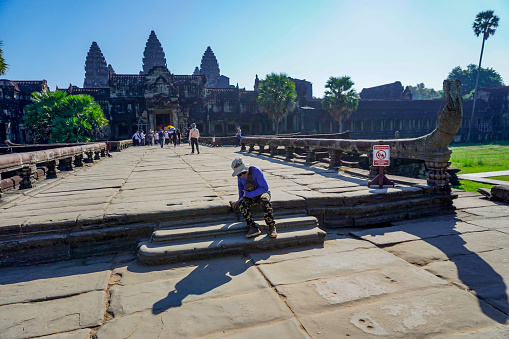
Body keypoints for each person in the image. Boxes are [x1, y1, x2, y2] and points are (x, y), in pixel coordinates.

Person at [230, 157, 277, 238]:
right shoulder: (240, 177)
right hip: (248, 195)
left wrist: (249, 194)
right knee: (242, 203)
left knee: (264, 200)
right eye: (239, 174)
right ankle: (252, 227)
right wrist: (239, 200)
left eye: (243, 172)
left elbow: (264, 188)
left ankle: (271, 226)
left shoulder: (256, 171)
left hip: (261, 193)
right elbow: (241, 189)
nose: (242, 175)